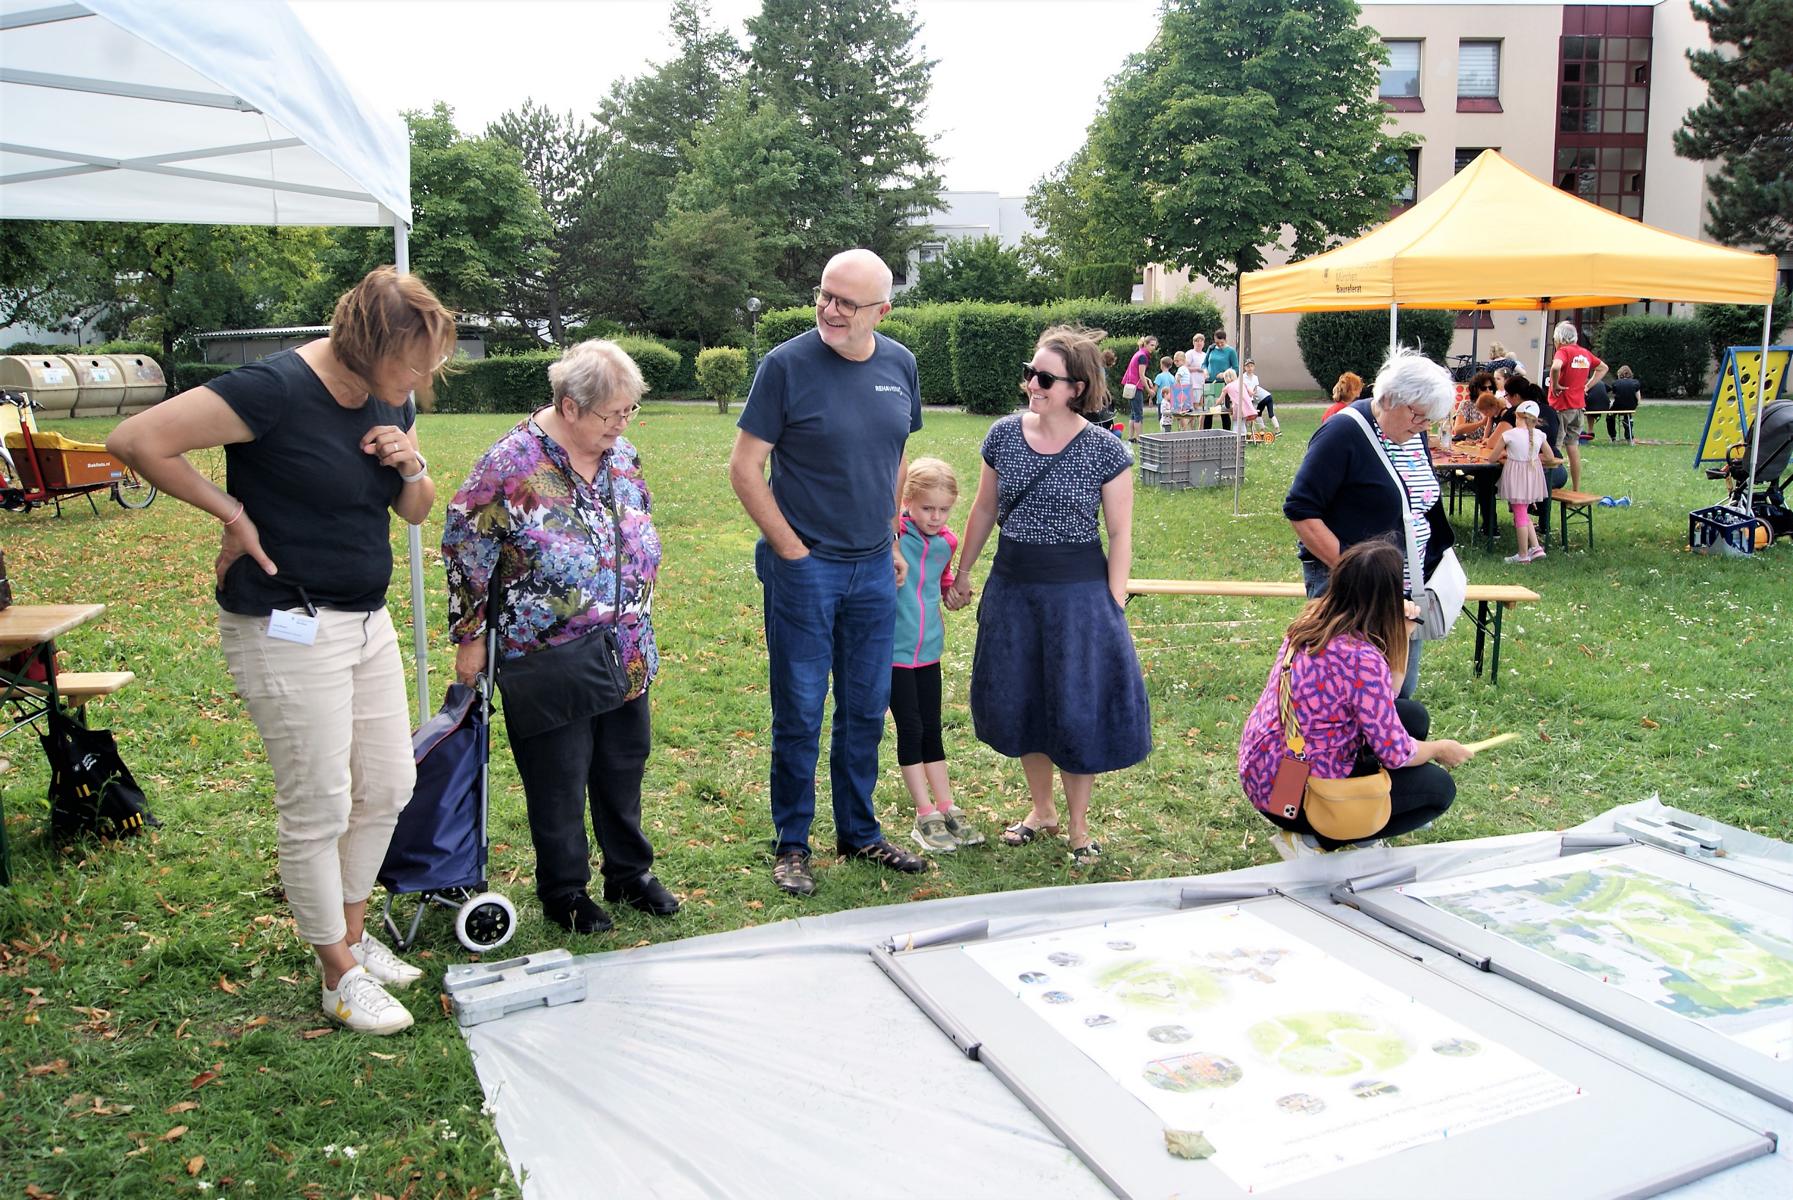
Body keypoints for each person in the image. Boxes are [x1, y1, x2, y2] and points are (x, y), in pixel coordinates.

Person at [106, 266, 452, 1035]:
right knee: (320, 800)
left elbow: (417, 511)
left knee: (390, 783)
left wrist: (411, 463)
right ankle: (337, 973)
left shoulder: (390, 391)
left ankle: (355, 938)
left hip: (366, 621)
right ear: (364, 346)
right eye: (412, 364)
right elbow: (136, 440)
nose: (421, 379)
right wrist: (229, 510)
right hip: (285, 623)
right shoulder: (275, 389)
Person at [442, 340, 676, 934]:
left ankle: (628, 873)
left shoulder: (620, 454)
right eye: (611, 415)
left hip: (624, 645)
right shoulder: (513, 465)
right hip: (549, 651)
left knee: (623, 765)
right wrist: (470, 634)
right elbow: (468, 546)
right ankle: (565, 890)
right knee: (560, 778)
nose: (622, 426)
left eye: (629, 413)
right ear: (570, 407)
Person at [727, 248, 927, 897]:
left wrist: (891, 535)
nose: (830, 309)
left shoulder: (900, 364)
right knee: (801, 709)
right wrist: (789, 549)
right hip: (806, 569)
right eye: (825, 295)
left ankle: (859, 831)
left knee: (867, 708)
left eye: (847, 302)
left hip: (873, 569)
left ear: (881, 311)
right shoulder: (785, 366)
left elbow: (896, 453)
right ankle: (792, 842)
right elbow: (744, 466)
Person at [945, 325, 1150, 867]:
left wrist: (1114, 600)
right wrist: (962, 571)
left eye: (1043, 377)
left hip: (1079, 596)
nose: (1030, 384)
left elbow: (1121, 534)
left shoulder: (1107, 450)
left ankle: (1079, 826)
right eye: (1030, 373)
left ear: (1076, 387)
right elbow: (984, 510)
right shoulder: (1002, 435)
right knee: (1024, 701)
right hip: (1013, 588)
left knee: (1075, 705)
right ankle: (1042, 811)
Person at [1238, 539, 1473, 859]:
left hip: (1266, 770)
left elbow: (1384, 701)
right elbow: (1396, 752)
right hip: (1292, 798)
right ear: (1384, 599)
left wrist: (1398, 633)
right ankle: (1318, 839)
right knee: (1438, 788)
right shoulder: (1361, 658)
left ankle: (1348, 827)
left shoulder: (1312, 621)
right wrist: (1441, 749)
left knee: (1413, 717)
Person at [1284, 348, 1456, 698]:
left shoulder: (1412, 431)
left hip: (1402, 586)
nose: (1424, 427)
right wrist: (1355, 570)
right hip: (1349, 585)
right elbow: (1301, 509)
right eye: (1420, 417)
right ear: (1393, 399)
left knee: (1397, 692)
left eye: (1429, 421)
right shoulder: (1342, 433)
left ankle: (1389, 752)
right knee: (1350, 696)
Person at [892, 458, 984, 854]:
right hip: (891, 652)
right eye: (927, 508)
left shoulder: (946, 542)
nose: (935, 516)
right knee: (910, 729)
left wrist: (955, 594)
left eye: (944, 509)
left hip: (929, 651)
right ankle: (923, 812)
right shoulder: (894, 533)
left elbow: (943, 583)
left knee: (932, 728)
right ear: (908, 501)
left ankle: (947, 806)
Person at [1484, 399, 1560, 564]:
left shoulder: (1509, 435)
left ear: (1517, 417)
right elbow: (1550, 457)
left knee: (1519, 514)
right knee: (1523, 511)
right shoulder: (1539, 435)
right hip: (1532, 477)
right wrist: (1532, 456)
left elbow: (1492, 458)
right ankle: (1536, 547)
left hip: (1516, 478)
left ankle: (1523, 554)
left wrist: (1507, 455)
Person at [1548, 320, 1607, 492]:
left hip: (1560, 407)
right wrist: (1588, 385)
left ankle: (1551, 485)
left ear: (1559, 339)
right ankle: (1576, 488)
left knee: (1555, 448)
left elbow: (1556, 367)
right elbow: (1603, 368)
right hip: (1578, 407)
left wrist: (1556, 384)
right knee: (1573, 446)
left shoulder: (1563, 351)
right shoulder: (1584, 353)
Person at [1121, 335, 1158, 441]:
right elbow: (1141, 376)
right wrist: (1149, 390)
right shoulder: (1143, 357)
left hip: (1130, 386)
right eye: (1151, 345)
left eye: (1154, 346)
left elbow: (1137, 373)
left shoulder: (1138, 353)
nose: (1153, 348)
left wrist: (1147, 379)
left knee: (1133, 414)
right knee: (1138, 414)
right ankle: (1139, 438)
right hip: (1136, 388)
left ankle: (1131, 437)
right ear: (1145, 344)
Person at [1203, 329, 1240, 430]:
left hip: (1223, 384)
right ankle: (1207, 434)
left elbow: (1236, 368)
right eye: (1217, 342)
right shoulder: (1211, 349)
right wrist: (1205, 371)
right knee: (1209, 410)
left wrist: (1224, 374)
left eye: (1221, 342)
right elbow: (1204, 363)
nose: (1219, 344)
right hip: (1210, 382)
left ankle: (1226, 434)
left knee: (1223, 411)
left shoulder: (1230, 351)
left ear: (1225, 340)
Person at [1240, 358, 1278, 432]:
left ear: (1254, 367)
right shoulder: (1242, 377)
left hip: (1259, 398)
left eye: (1251, 366)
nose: (1249, 368)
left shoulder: (1255, 377)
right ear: (1244, 368)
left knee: (1268, 414)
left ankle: (1277, 430)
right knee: (1252, 415)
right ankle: (1256, 432)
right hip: (1248, 398)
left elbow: (1255, 389)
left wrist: (1253, 397)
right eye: (1247, 366)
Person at [1606, 365, 1641, 444]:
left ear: (1619, 374)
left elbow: (1617, 395)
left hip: (1618, 406)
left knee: (1610, 417)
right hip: (1631, 406)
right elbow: (1638, 399)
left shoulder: (1615, 383)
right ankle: (1629, 438)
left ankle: (1613, 437)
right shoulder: (1636, 382)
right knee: (1627, 416)